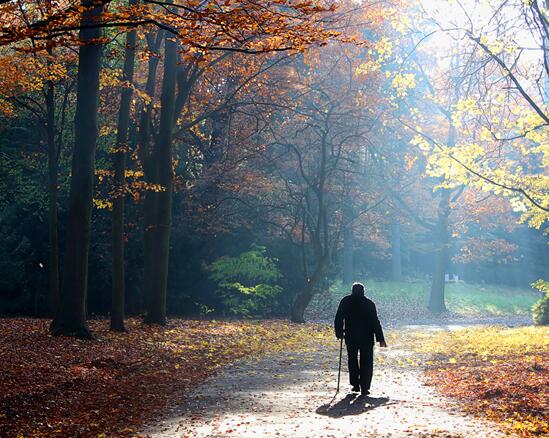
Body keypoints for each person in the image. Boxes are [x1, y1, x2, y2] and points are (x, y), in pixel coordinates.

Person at [334, 282, 387, 396]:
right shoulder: (369, 304)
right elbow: (375, 322)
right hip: (367, 337)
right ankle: (364, 386)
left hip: (351, 335)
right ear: (363, 291)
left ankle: (355, 384)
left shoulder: (346, 301)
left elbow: (339, 317)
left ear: (352, 291)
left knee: (352, 359)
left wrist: (339, 332)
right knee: (367, 362)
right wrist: (380, 338)